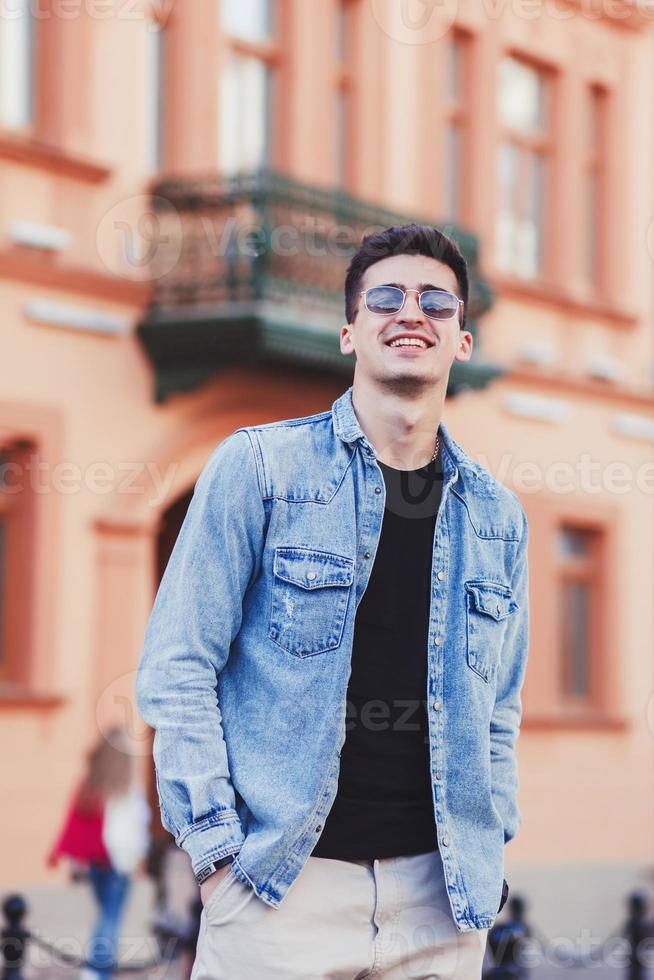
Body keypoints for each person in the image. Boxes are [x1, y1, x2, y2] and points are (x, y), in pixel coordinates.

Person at [136, 223, 530, 979]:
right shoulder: (259, 468)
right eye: (385, 297)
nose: (410, 311)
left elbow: (500, 708)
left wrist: (494, 839)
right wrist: (217, 860)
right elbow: (178, 666)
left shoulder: (496, 516)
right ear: (350, 332)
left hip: (441, 906)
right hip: (280, 895)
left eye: (436, 302)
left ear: (463, 342)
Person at [48, 726, 150, 980]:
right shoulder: (128, 788)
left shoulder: (91, 784)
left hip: (96, 862)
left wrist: (73, 861)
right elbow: (137, 826)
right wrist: (139, 860)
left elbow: (77, 824)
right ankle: (97, 972)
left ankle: (99, 970)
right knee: (111, 916)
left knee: (106, 914)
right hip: (119, 862)